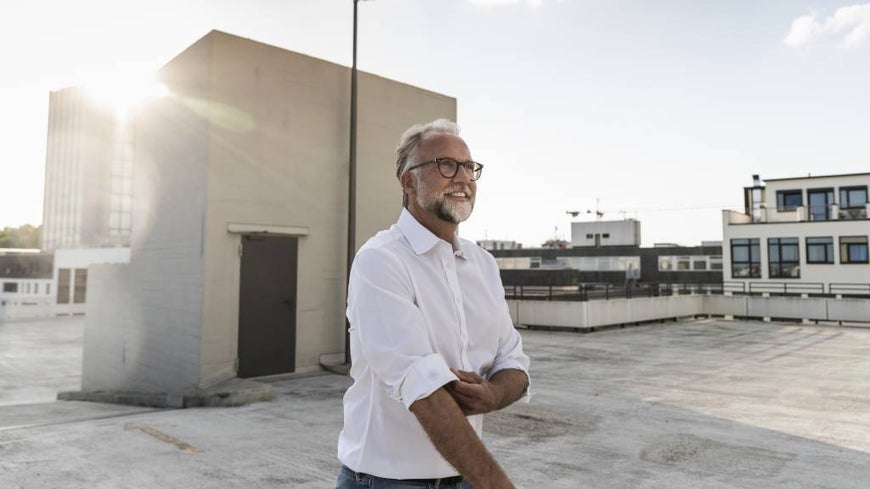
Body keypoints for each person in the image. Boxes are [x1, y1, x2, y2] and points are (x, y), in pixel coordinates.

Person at [336, 119, 531, 489]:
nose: (462, 178)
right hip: (384, 482)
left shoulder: (483, 264)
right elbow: (423, 388)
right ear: (409, 182)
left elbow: (514, 364)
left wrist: (491, 394)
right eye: (445, 165)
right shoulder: (381, 260)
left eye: (469, 167)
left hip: (462, 478)